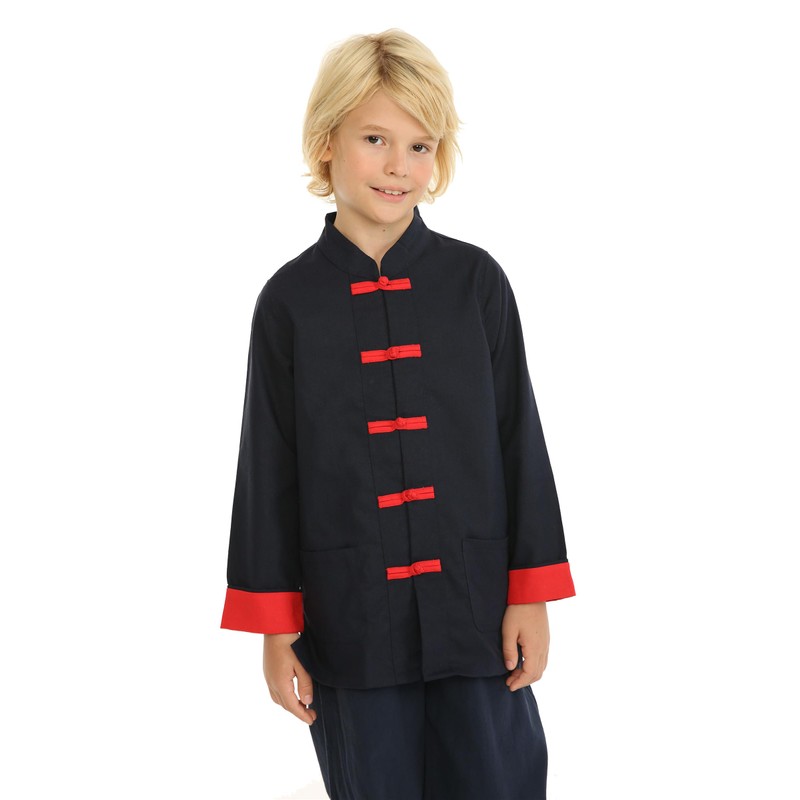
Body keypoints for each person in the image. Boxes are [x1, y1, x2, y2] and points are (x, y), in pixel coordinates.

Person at [221, 29, 576, 800]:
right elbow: (268, 472)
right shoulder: (288, 304)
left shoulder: (476, 283)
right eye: (375, 139)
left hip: (476, 613)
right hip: (349, 620)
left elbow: (519, 440)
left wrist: (532, 592)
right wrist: (277, 628)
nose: (398, 166)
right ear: (326, 143)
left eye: (420, 147)